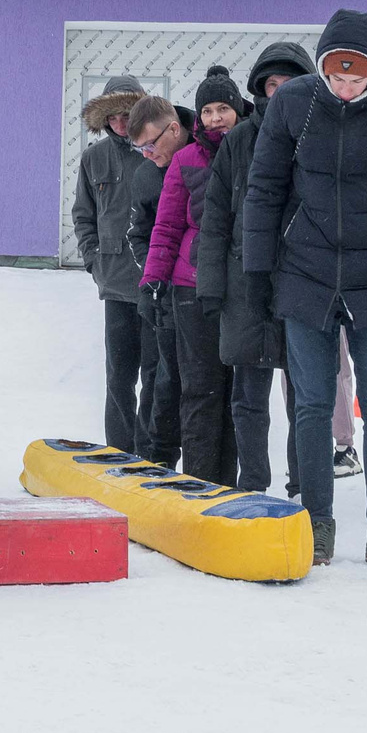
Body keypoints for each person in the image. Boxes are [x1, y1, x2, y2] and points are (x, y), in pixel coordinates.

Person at [242, 9, 367, 570]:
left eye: (358, 79)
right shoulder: (293, 103)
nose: (346, 89)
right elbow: (264, 189)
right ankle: (317, 525)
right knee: (312, 406)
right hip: (305, 274)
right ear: (323, 69)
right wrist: (257, 271)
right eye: (337, 78)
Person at [196, 42, 314, 494]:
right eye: (270, 84)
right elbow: (216, 217)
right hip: (243, 284)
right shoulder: (241, 140)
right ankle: (253, 487)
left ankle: (304, 487)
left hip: (304, 284)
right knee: (247, 399)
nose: (278, 91)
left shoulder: (320, 134)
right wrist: (211, 285)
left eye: (287, 83)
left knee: (306, 397)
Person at [143, 66, 247, 488]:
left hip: (241, 287)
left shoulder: (256, 150)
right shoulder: (185, 160)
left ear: (239, 111)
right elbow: (166, 227)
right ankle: (200, 485)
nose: (215, 118)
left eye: (223, 108)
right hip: (190, 288)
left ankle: (233, 486)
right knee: (200, 391)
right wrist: (153, 279)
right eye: (207, 110)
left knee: (238, 397)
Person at [72, 74, 156, 453]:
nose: (121, 123)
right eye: (114, 117)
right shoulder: (93, 159)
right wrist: (94, 261)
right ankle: (119, 451)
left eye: (128, 114)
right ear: (104, 120)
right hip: (116, 285)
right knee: (119, 377)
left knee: (156, 376)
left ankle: (152, 450)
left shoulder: (156, 153)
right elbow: (83, 215)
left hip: (155, 284)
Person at [122, 95, 190, 468]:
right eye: (139, 149)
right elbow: (139, 233)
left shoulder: (207, 155)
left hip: (203, 288)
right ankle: (157, 460)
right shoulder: (147, 174)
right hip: (165, 291)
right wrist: (154, 279)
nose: (146, 154)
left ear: (174, 128)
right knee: (162, 379)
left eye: (151, 145)